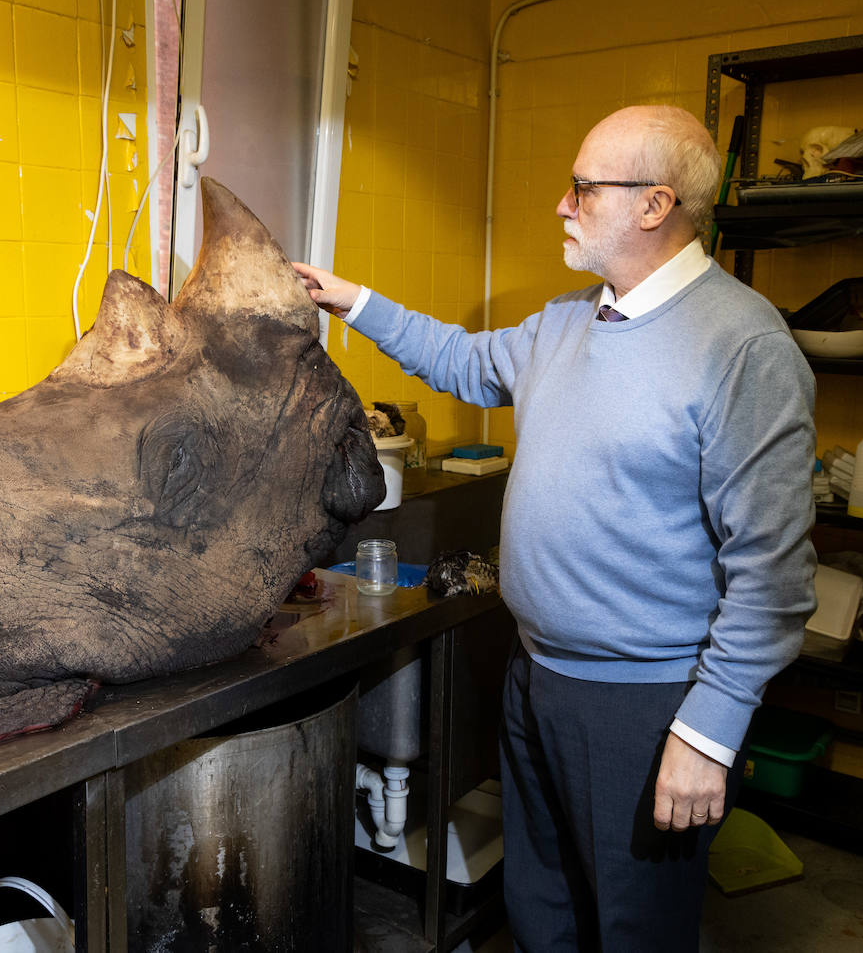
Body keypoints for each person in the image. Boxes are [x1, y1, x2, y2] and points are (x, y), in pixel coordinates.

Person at [296, 105, 817, 951]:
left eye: (582, 188)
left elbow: (776, 578)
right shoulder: (571, 318)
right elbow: (463, 358)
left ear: (655, 205)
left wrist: (708, 731)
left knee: (635, 928)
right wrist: (352, 301)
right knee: (544, 911)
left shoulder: (743, 349)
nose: (562, 206)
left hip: (647, 705)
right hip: (536, 678)